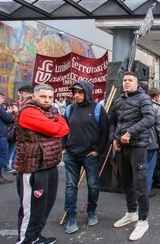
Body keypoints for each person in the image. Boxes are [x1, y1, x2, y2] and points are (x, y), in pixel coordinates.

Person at [15, 84, 70, 244]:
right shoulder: (28, 111)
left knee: (44, 206)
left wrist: (54, 126)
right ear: (34, 96)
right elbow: (54, 128)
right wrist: (53, 126)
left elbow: (64, 128)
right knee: (31, 209)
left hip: (49, 165)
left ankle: (35, 237)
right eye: (43, 96)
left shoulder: (49, 111)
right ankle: (25, 240)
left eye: (50, 97)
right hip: (33, 168)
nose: (47, 100)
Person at [110, 71, 155, 241]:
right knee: (127, 182)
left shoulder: (144, 98)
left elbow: (149, 119)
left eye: (130, 80)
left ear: (137, 83)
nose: (126, 82)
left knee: (140, 184)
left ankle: (143, 220)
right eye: (125, 80)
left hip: (138, 146)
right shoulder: (119, 99)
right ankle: (131, 213)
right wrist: (113, 139)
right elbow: (113, 122)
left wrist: (130, 132)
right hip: (121, 146)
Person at [62, 81, 109, 234]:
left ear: (87, 93)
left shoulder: (97, 109)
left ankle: (91, 211)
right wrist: (63, 147)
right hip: (71, 155)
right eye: (74, 92)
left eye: (80, 92)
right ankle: (71, 217)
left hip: (90, 156)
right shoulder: (69, 109)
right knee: (70, 187)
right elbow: (63, 129)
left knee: (93, 185)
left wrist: (98, 150)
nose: (76, 95)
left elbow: (105, 132)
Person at [147, 87, 160, 198]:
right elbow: (159, 128)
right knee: (149, 167)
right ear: (156, 96)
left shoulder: (139, 103)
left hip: (139, 141)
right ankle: (146, 189)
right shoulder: (157, 107)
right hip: (152, 141)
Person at [0, 92, 15, 184]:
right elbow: (8, 119)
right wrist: (9, 113)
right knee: (2, 154)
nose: (3, 100)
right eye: (1, 98)